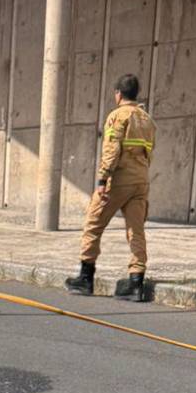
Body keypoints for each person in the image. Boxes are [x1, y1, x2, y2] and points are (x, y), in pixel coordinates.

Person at [65, 74, 156, 301]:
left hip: (119, 179)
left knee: (93, 223)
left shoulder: (117, 116)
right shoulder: (146, 119)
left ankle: (86, 277)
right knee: (136, 229)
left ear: (118, 93)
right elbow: (150, 152)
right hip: (141, 180)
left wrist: (102, 180)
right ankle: (136, 282)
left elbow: (112, 150)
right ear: (136, 93)